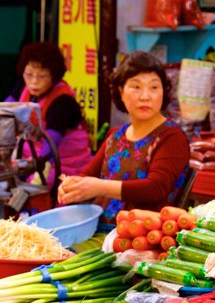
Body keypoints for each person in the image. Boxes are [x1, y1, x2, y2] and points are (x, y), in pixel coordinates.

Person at [57, 51, 189, 231]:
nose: (145, 96)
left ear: (163, 92)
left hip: (142, 237)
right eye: (136, 87)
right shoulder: (115, 135)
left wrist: (100, 187)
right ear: (121, 92)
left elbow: (156, 187)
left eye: (154, 87)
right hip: (97, 228)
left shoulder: (171, 137)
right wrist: (72, 186)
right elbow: (88, 175)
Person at [7, 42, 92, 176]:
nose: (34, 81)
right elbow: (5, 111)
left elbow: (52, 142)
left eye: (42, 76)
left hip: (63, 166)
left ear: (54, 77)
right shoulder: (22, 87)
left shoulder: (63, 101)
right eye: (29, 74)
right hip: (29, 157)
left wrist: (37, 167)